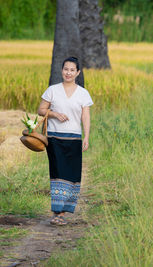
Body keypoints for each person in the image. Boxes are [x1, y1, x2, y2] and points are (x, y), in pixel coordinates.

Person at [38, 57, 93, 225]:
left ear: (77, 72)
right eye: (65, 69)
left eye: (71, 70)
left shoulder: (83, 93)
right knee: (57, 172)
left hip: (74, 138)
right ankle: (58, 213)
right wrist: (55, 114)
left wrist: (87, 136)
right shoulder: (52, 90)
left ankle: (63, 210)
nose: (68, 73)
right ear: (61, 70)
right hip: (54, 138)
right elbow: (41, 110)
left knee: (72, 174)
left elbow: (86, 116)